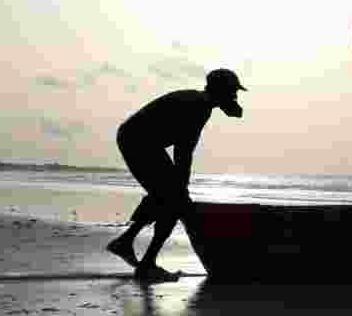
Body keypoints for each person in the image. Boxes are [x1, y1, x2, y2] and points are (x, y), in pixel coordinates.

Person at [105, 69, 247, 282]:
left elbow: (182, 153)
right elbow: (183, 152)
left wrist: (180, 187)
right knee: (175, 200)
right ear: (221, 91)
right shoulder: (198, 106)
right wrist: (182, 190)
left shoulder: (200, 102)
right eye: (233, 92)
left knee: (166, 195)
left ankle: (126, 242)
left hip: (139, 140)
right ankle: (146, 264)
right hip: (138, 141)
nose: (235, 97)